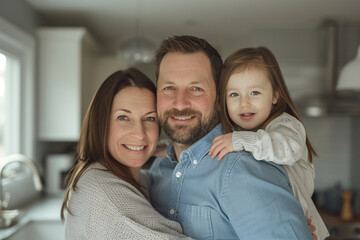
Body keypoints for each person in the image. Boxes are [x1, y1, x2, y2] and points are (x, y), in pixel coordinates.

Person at [149, 35, 314, 239]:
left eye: (196, 89)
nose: (180, 103)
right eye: (169, 88)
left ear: (220, 99)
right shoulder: (159, 168)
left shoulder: (244, 170)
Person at [208, 46, 329, 240]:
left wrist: (238, 141)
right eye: (234, 94)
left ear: (274, 95)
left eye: (254, 92)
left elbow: (286, 149)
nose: (244, 103)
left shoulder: (286, 125)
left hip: (300, 225)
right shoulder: (237, 134)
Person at [60, 68, 192, 240]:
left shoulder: (128, 178)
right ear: (101, 124)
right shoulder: (109, 198)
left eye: (150, 118)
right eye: (123, 117)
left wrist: (175, 150)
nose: (140, 134)